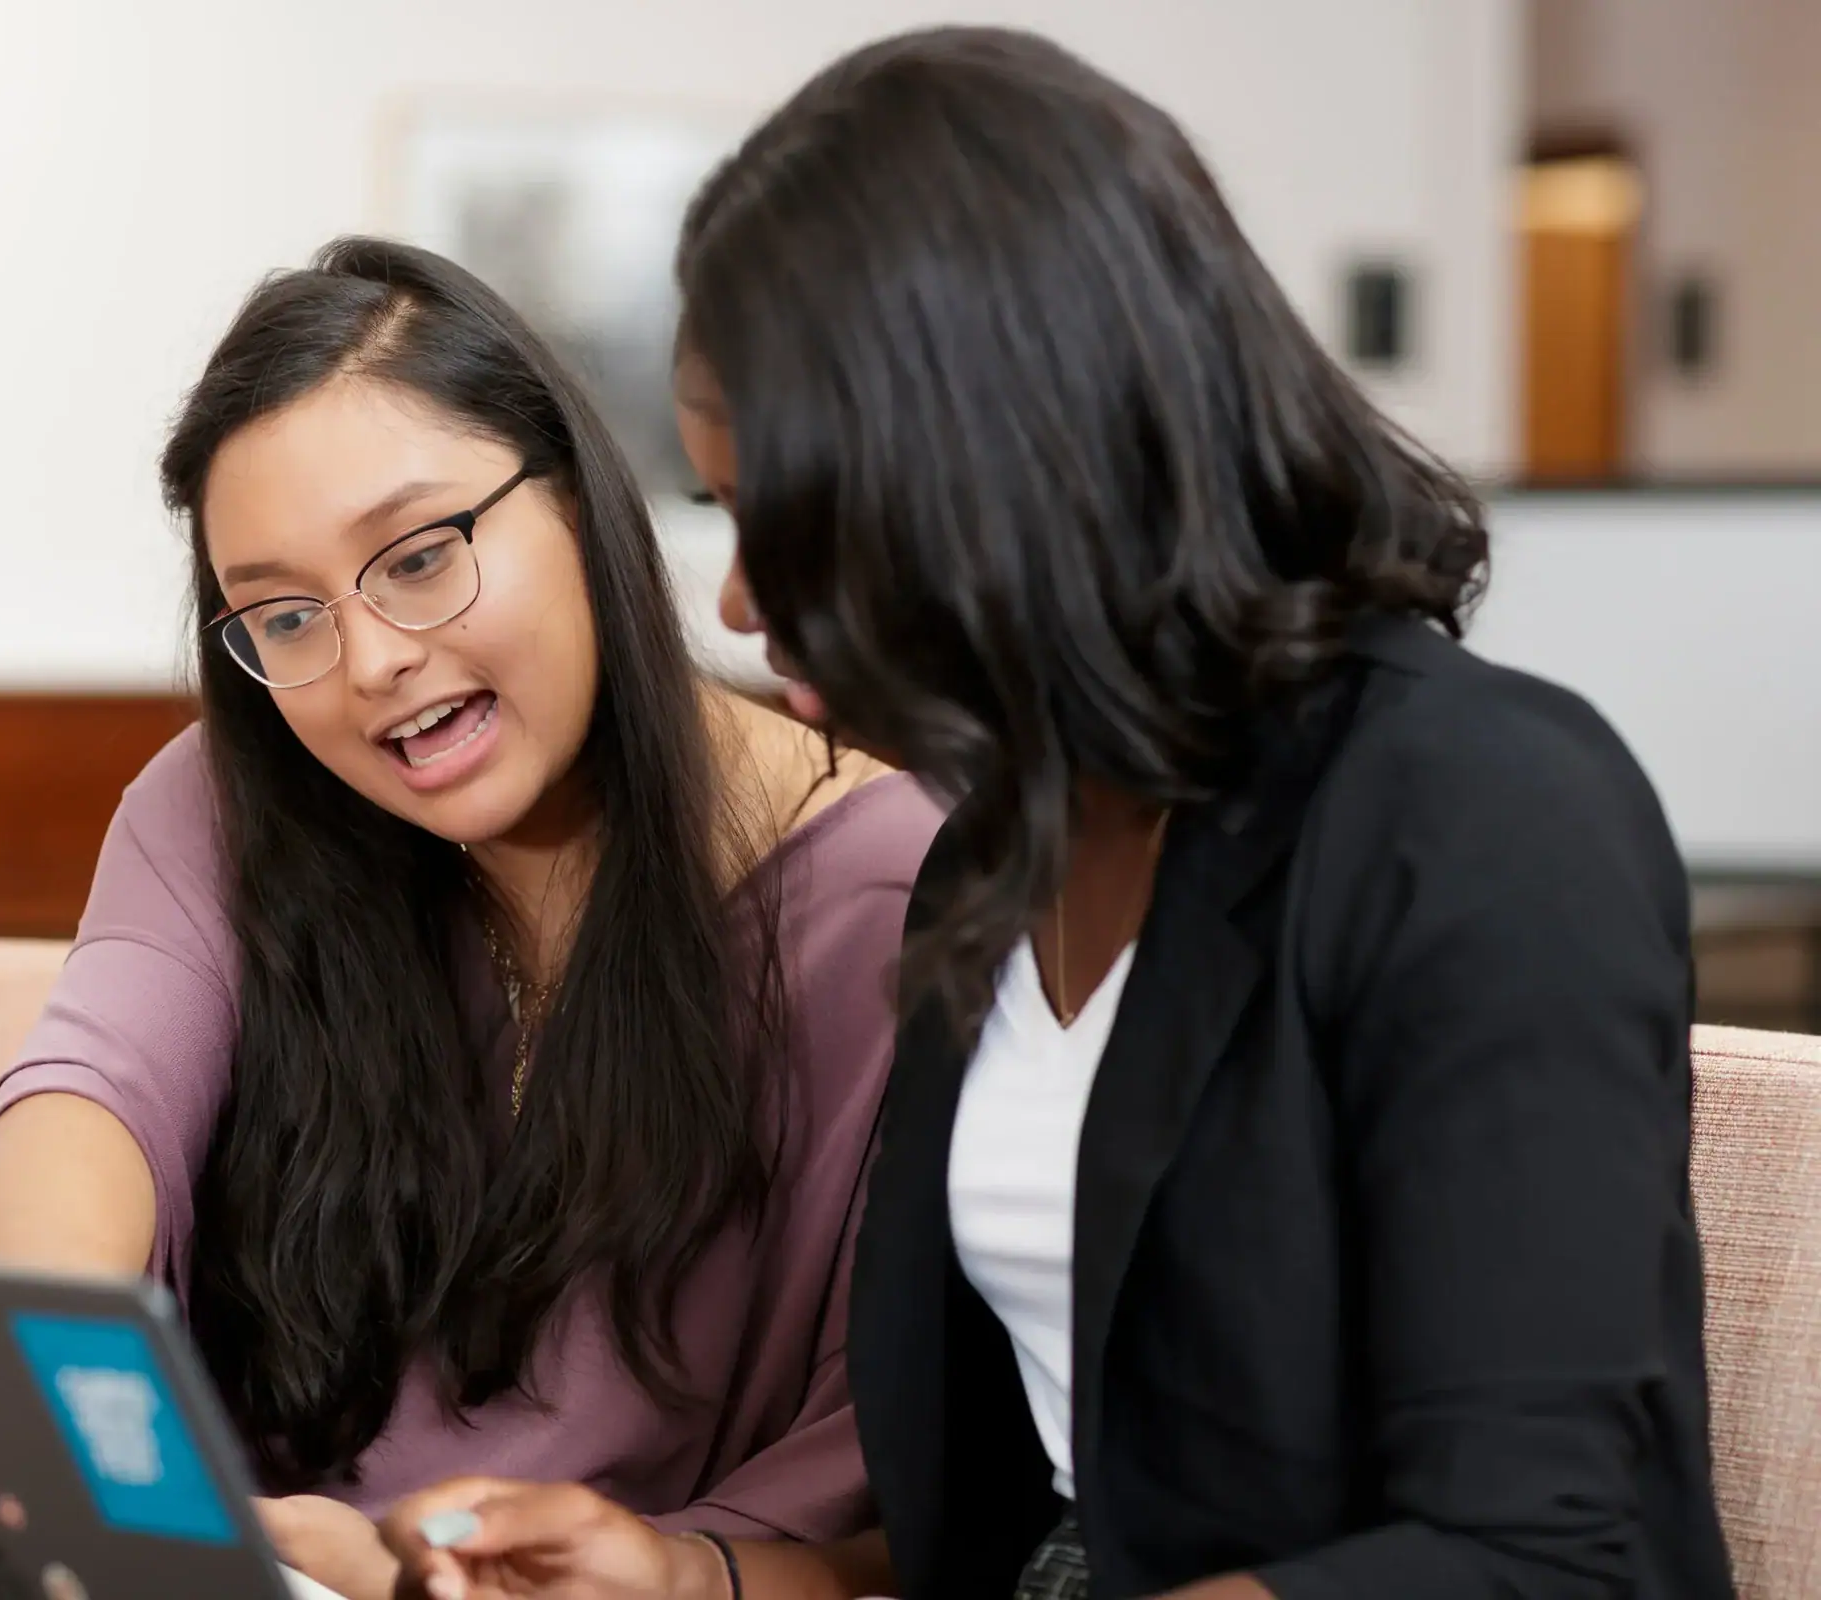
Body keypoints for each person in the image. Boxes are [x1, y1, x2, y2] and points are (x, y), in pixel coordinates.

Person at [378, 27, 1735, 1600]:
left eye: (781, 522)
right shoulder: (991, 865)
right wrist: (690, 1582)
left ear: (981, 477)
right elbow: (1017, 1535)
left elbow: (1542, 1556)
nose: (743, 604)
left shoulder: (1481, 815)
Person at [0, 238, 945, 1599]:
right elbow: (93, 1092)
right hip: (213, 1558)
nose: (374, 663)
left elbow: (893, 1508)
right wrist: (46, 1374)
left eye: (416, 556)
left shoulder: (897, 897)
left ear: (580, 497)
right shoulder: (234, 799)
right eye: (283, 617)